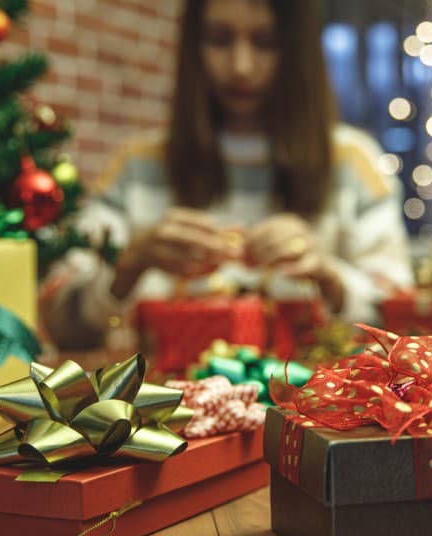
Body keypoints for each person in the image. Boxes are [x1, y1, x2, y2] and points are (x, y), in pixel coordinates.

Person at [42, 0, 412, 349]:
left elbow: (404, 321)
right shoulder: (137, 164)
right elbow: (58, 319)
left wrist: (329, 275)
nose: (241, 67)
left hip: (315, 413)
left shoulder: (351, 162)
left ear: (298, 51)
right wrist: (129, 266)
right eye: (219, 40)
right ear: (193, 47)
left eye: (265, 42)